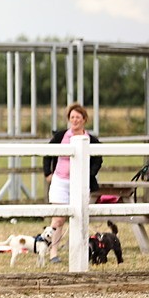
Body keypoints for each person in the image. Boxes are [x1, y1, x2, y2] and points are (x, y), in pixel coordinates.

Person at [41, 103, 103, 262]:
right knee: (58, 218)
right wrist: (48, 173)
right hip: (61, 181)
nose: (75, 120)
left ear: (84, 119)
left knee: (80, 217)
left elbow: (98, 159)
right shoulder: (60, 136)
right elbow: (47, 154)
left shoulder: (92, 140)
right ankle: (53, 251)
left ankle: (79, 251)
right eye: (72, 117)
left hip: (80, 183)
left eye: (78, 117)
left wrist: (90, 174)